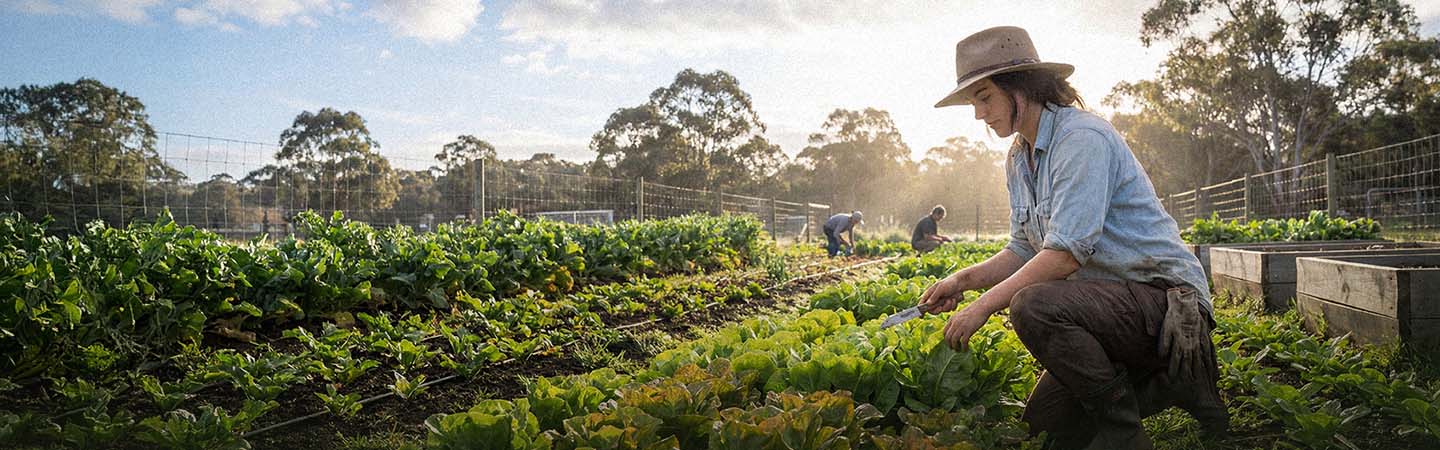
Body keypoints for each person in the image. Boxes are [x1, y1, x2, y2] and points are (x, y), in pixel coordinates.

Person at [916, 26, 1226, 450]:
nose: (979, 114)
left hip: (1166, 303)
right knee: (1043, 427)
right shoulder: (1018, 158)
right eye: (974, 102)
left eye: (985, 97)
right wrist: (961, 282)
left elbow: (1062, 258)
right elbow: (1022, 249)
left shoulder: (1080, 139)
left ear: (1020, 87)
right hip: (1108, 309)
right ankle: (1180, 382)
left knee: (1033, 304)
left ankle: (1125, 435)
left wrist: (983, 307)